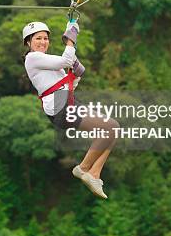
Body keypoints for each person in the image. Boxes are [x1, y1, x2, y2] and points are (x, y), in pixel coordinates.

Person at [22, 21, 119, 199]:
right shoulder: (32, 58)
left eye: (45, 38)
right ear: (28, 42)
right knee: (110, 128)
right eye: (38, 38)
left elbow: (67, 82)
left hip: (67, 102)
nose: (43, 42)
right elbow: (66, 59)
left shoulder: (47, 60)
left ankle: (94, 173)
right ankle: (82, 169)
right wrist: (70, 40)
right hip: (60, 106)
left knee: (113, 128)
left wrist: (76, 75)